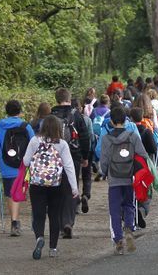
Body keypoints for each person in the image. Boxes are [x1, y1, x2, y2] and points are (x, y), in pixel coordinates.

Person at [22, 115, 78, 260]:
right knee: (54, 215)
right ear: (59, 128)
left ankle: (39, 237)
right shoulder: (62, 144)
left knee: (38, 214)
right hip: (56, 185)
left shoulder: (35, 141)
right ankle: (53, 248)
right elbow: (69, 166)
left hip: (37, 184)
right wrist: (74, 187)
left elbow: (26, 161)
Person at [99, 106, 148, 256]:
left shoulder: (107, 138)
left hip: (114, 179)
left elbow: (104, 161)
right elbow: (143, 155)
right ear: (126, 120)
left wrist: (105, 172)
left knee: (114, 210)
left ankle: (118, 239)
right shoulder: (133, 136)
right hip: (129, 178)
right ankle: (129, 229)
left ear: (112, 122)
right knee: (129, 205)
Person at [0, 99, 35, 236]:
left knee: (10, 193)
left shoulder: (0, 126)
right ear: (20, 111)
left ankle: (14, 222)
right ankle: (21, 222)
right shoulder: (26, 126)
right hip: (23, 166)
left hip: (6, 165)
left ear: (6, 112)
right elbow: (34, 145)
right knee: (19, 191)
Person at [49, 88, 91, 239]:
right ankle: (68, 222)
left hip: (53, 157)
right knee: (71, 188)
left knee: (56, 189)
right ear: (69, 98)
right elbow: (85, 137)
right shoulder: (76, 115)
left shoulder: (50, 116)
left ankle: (60, 225)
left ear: (56, 99)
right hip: (73, 156)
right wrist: (85, 156)